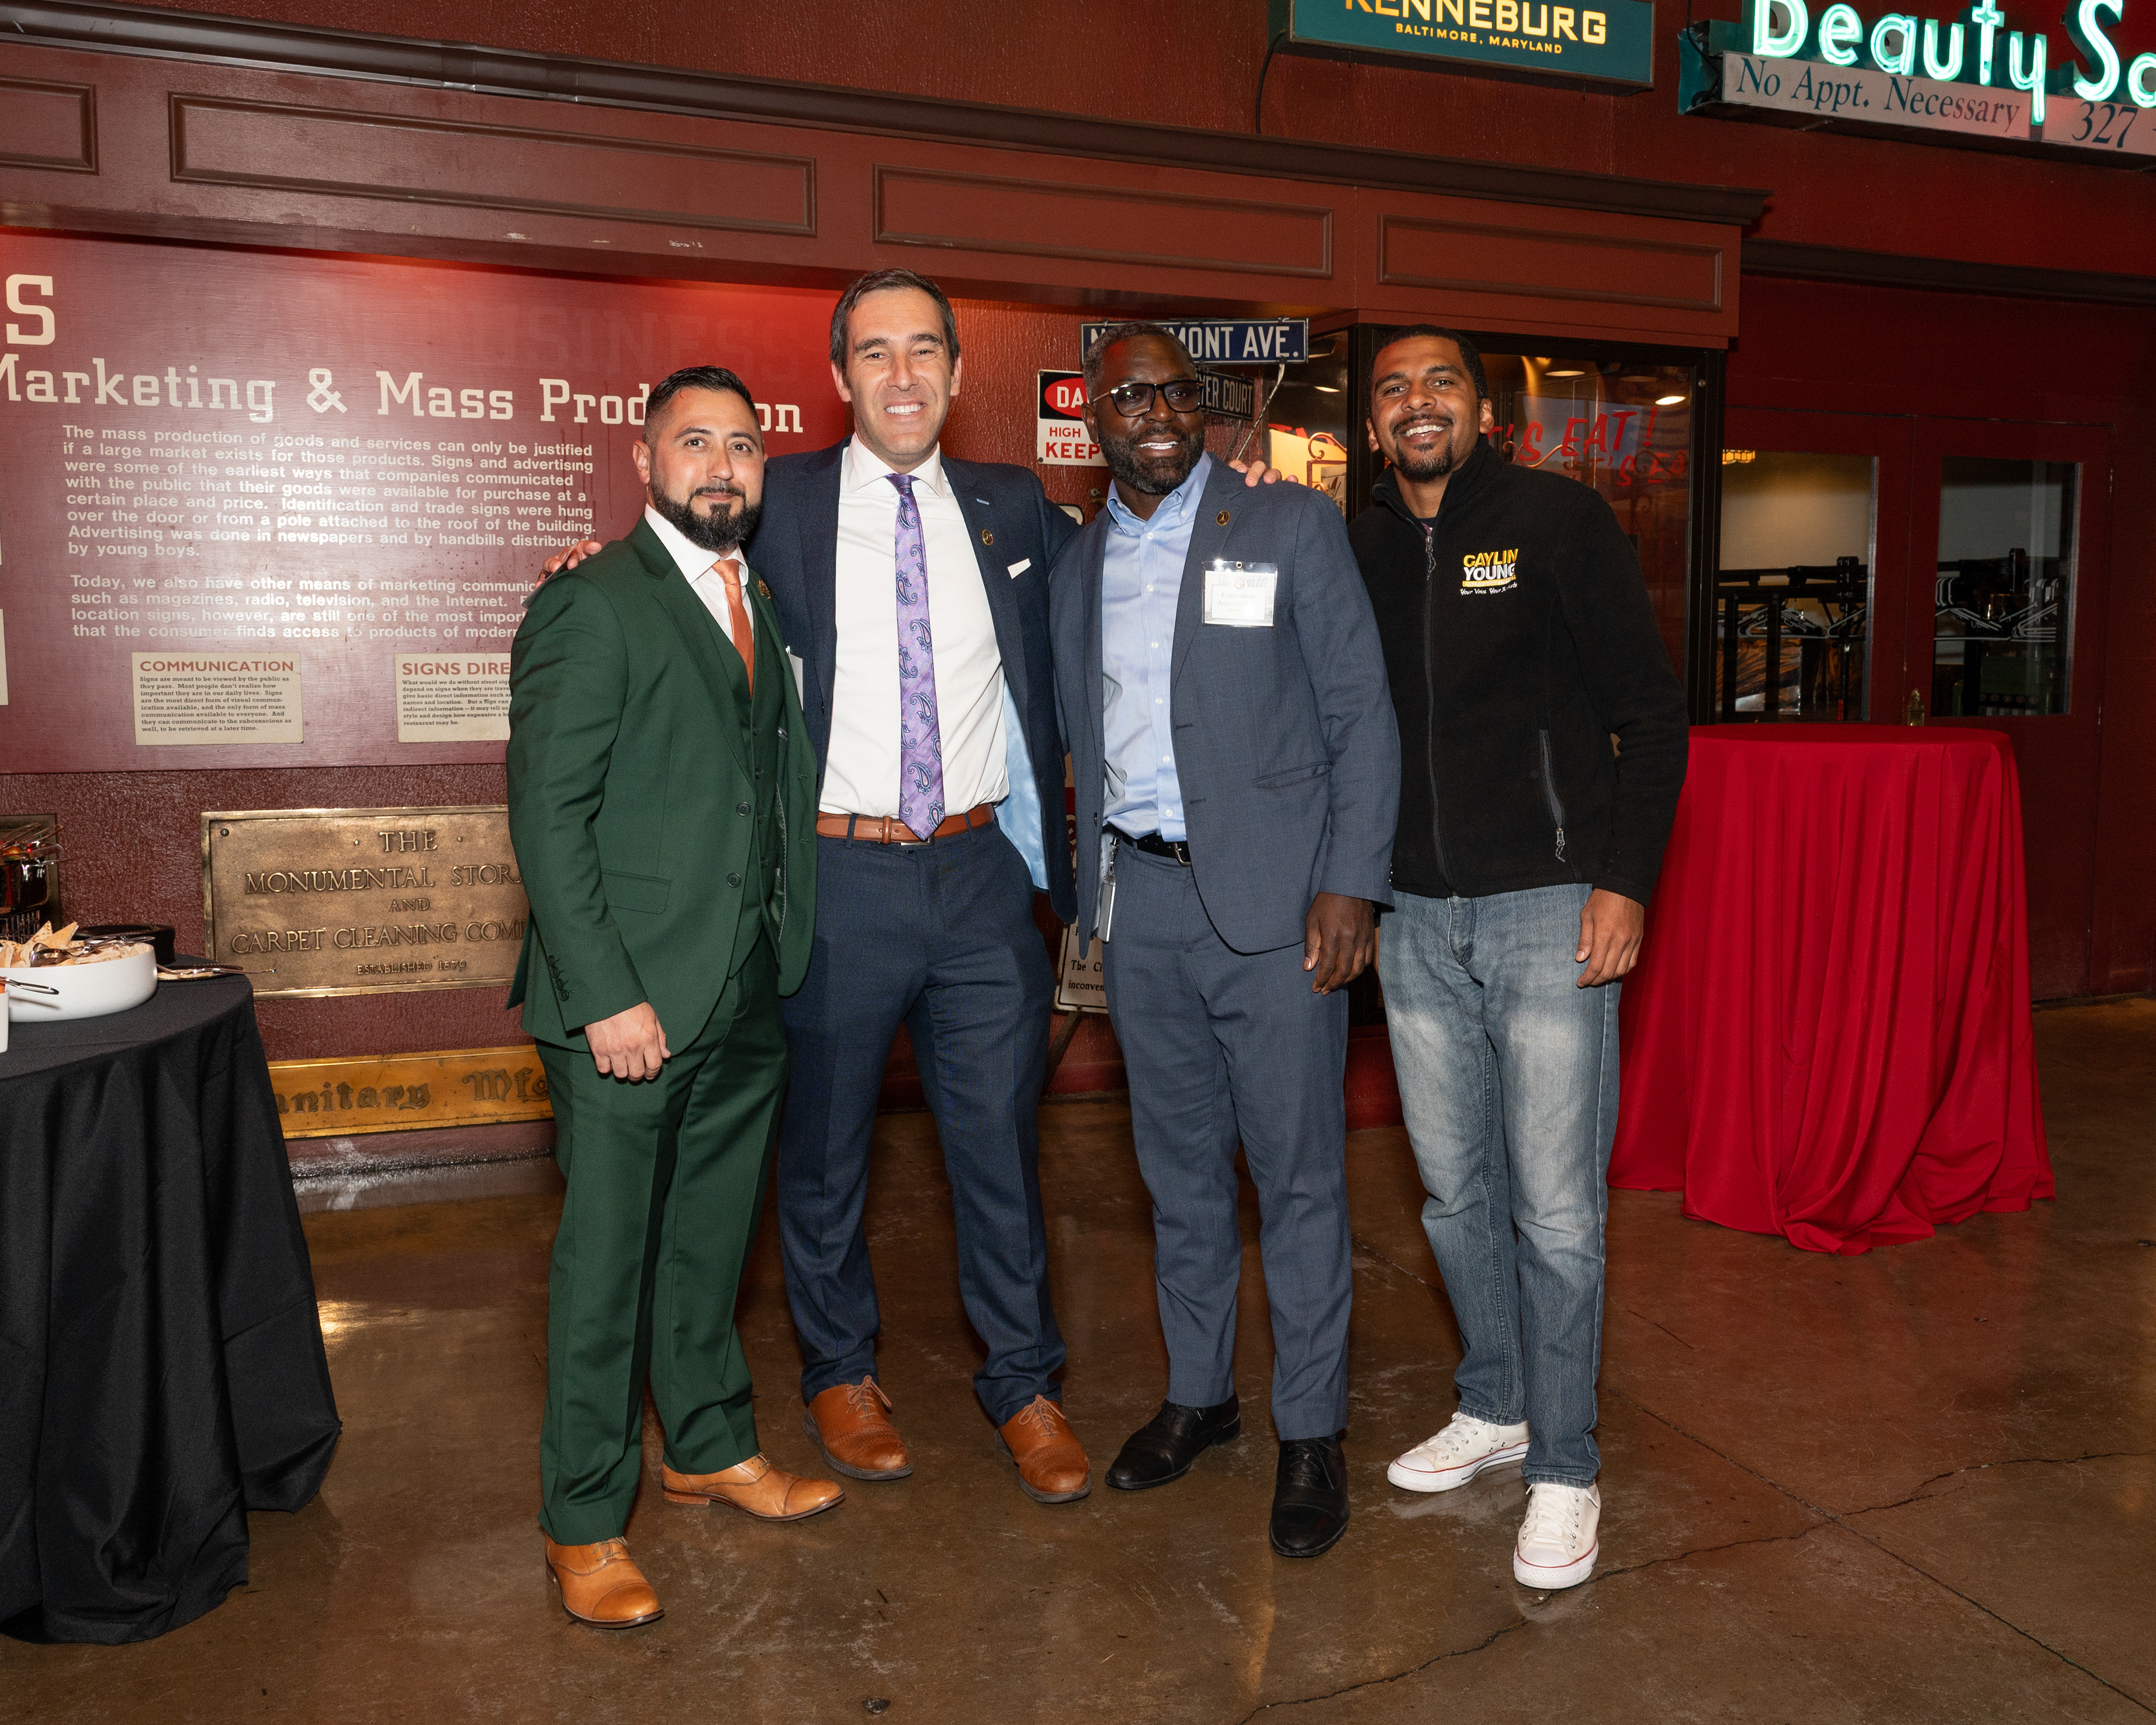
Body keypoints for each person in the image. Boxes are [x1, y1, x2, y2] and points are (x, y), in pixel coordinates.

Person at [1049, 322, 1399, 1558]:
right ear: (1093, 415)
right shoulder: (1080, 564)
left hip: (1278, 911)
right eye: (1130, 396)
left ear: (1201, 406)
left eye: (1176, 393)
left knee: (1298, 1179)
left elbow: (1360, 711)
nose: (1157, 413)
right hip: (1141, 910)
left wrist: (1351, 883)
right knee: (1179, 1178)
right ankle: (1201, 1397)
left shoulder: (1287, 524)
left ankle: (1311, 1429)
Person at [1351, 326, 1688, 1590]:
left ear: (1482, 410)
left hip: (1552, 911)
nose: (1418, 402)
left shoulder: (1559, 522)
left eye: (1441, 382)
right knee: (1453, 1194)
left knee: (1555, 1209)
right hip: (1411, 917)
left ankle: (1565, 1464)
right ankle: (1494, 1402)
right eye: (1394, 388)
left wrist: (1624, 880)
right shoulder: (1359, 545)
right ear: (1373, 424)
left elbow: (1651, 716)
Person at [508, 365, 839, 1631]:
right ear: (645, 460)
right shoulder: (592, 602)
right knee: (607, 1267)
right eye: (694, 443)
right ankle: (583, 1520)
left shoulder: (758, 593)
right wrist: (605, 995)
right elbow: (548, 814)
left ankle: (707, 1446)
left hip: (745, 988)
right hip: (627, 1008)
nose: (722, 466)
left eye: (744, 447)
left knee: (709, 1244)